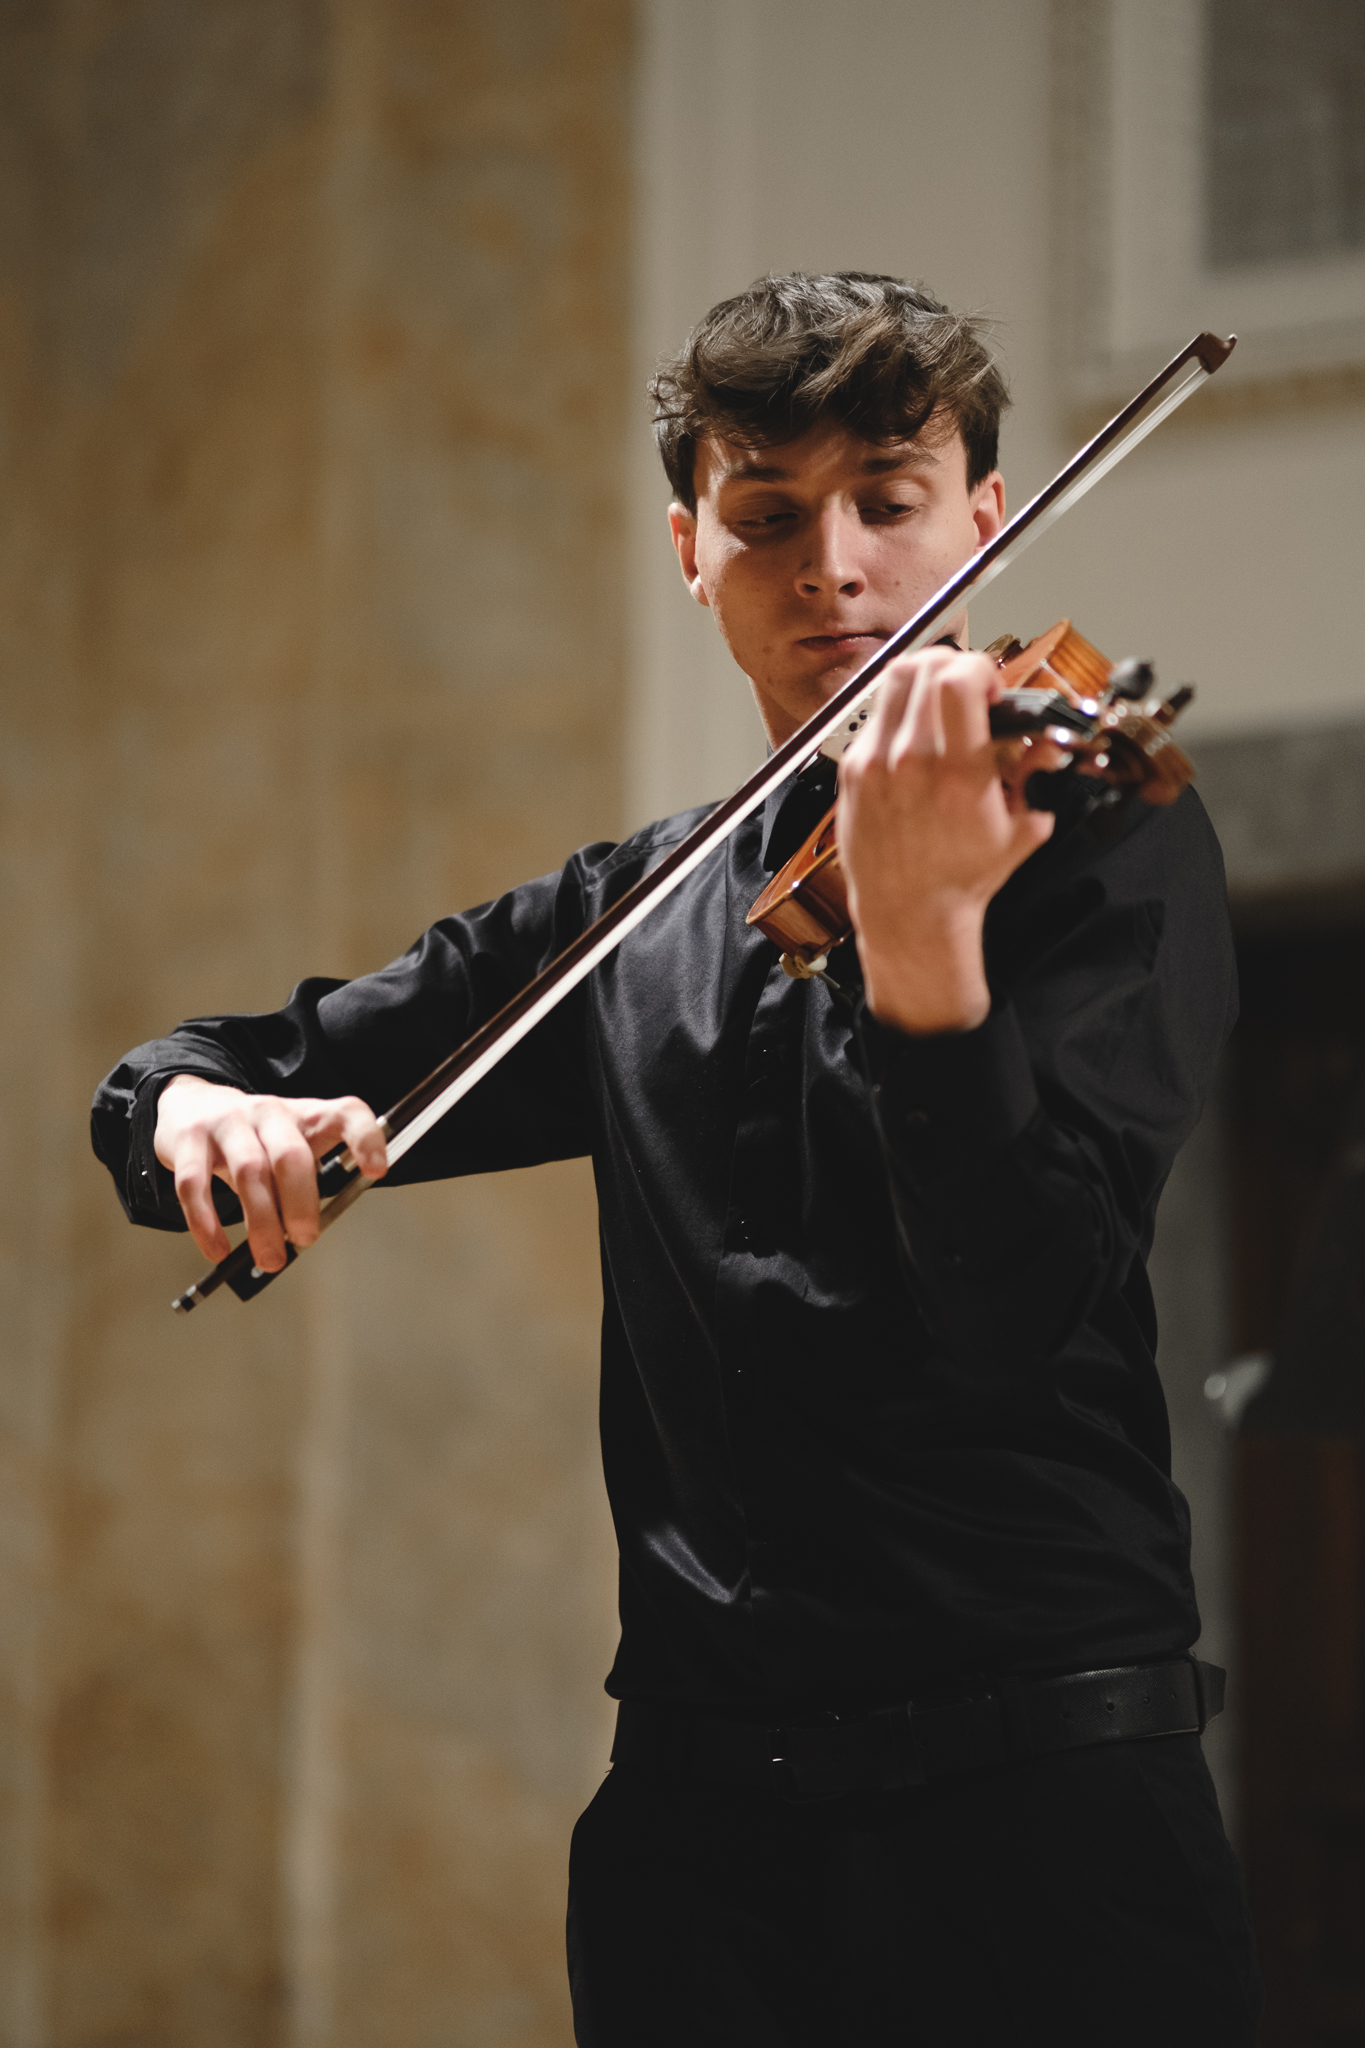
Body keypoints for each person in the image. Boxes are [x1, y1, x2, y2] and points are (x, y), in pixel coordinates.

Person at [92, 273, 1261, 2044]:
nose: (832, 567)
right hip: (702, 1845)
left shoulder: (1092, 844)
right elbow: (214, 1070)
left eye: (886, 500)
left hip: (1043, 1816)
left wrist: (925, 955)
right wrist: (201, 1112)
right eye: (767, 517)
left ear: (983, 523)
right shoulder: (630, 912)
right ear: (690, 554)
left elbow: (1018, 1304)